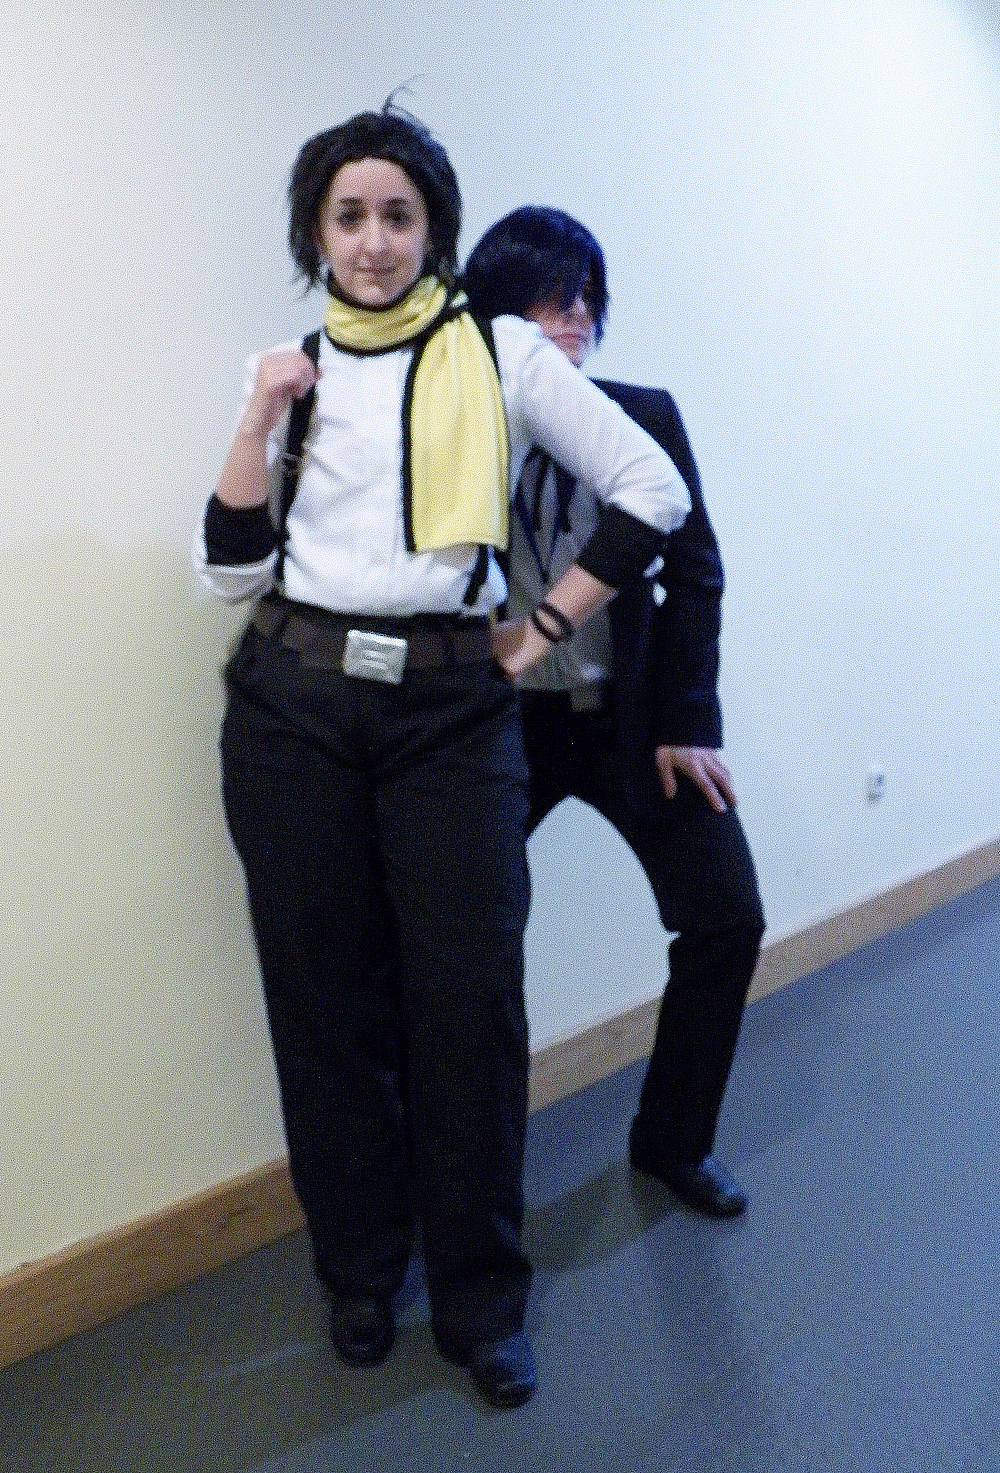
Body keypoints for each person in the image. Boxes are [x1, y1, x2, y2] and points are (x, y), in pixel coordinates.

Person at [193, 109, 690, 1407]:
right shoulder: (295, 369)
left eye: (397, 216)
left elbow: (653, 489)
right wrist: (257, 412)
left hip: (450, 717)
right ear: (315, 232)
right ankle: (360, 1271)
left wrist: (543, 625)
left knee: (467, 1007)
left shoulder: (502, 351)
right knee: (324, 1002)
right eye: (348, 216)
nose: (373, 241)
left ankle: (481, 1299)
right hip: (293, 708)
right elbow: (230, 570)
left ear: (434, 230)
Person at [463, 206, 765, 1218]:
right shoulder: (455, 428)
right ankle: (469, 1187)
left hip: (626, 723)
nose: (577, 316)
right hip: (497, 730)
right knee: (464, 953)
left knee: (727, 916)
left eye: (588, 297)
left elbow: (696, 574)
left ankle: (673, 1142)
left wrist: (689, 722)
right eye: (552, 297)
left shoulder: (641, 417)